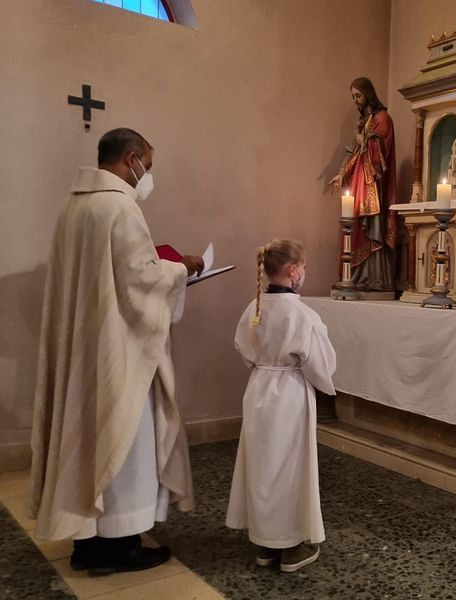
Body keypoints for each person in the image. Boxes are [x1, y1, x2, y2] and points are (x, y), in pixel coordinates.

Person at [28, 128, 204, 574]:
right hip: (120, 351)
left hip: (85, 348)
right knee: (126, 441)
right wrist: (182, 267)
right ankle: (120, 546)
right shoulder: (121, 207)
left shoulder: (74, 207)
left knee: (87, 442)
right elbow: (139, 280)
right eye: (148, 164)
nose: (148, 174)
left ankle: (87, 544)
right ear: (131, 158)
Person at [226, 239, 336, 573]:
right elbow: (322, 365)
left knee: (263, 464)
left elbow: (243, 346)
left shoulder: (254, 307)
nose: (304, 273)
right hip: (289, 392)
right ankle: (289, 545)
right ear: (292, 270)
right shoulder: (303, 315)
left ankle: (265, 543)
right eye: (303, 267)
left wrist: (264, 368)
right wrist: (322, 384)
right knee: (289, 466)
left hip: (259, 387)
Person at [329, 77, 397, 291]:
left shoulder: (383, 118)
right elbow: (352, 151)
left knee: (371, 226)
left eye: (358, 95)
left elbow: (381, 152)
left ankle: (374, 279)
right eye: (353, 96)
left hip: (373, 185)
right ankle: (355, 276)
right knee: (355, 226)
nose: (356, 100)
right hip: (359, 180)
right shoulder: (362, 122)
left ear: (368, 93)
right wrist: (341, 173)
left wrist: (365, 141)